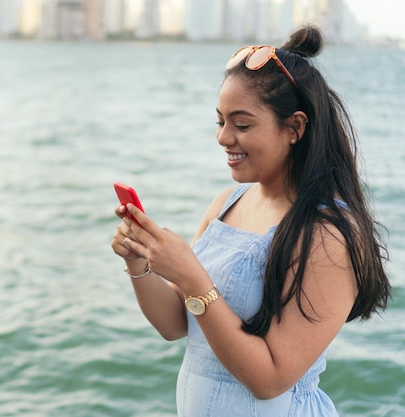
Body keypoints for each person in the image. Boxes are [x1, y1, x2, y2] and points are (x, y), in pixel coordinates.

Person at [111, 25, 391, 417]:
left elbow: (270, 379)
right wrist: (139, 262)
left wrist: (193, 277)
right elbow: (176, 324)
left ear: (294, 127)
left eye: (241, 125)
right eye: (220, 121)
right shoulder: (227, 203)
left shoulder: (328, 234)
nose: (224, 138)